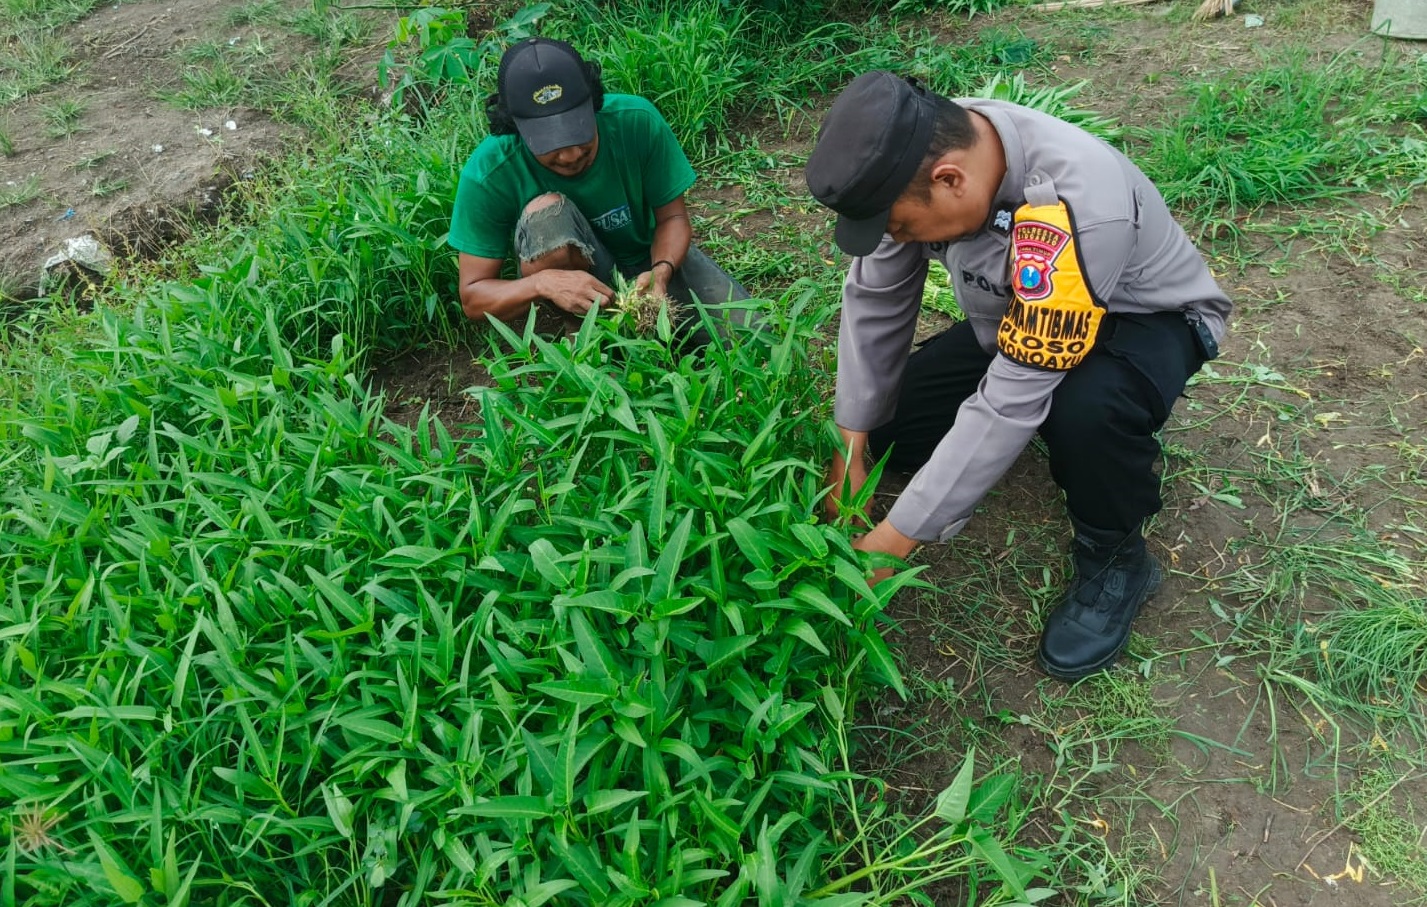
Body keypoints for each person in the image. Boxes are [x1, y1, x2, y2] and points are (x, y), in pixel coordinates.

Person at [805, 71, 1233, 680]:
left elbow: (1009, 400)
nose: (895, 239)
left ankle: (1116, 557)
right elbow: (874, 300)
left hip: (1142, 319)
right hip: (1016, 318)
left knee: (1083, 411)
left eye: (900, 227)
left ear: (949, 180)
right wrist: (850, 445)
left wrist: (892, 543)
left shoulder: (1080, 206)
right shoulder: (918, 156)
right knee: (895, 421)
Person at [449, 36, 749, 328]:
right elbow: (474, 298)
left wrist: (662, 271)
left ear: (593, 103)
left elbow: (672, 217)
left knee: (753, 336)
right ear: (515, 127)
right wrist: (542, 283)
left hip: (649, 259)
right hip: (580, 281)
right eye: (549, 143)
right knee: (546, 215)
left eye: (579, 132)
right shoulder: (489, 172)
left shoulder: (635, 121)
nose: (570, 155)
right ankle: (584, 329)